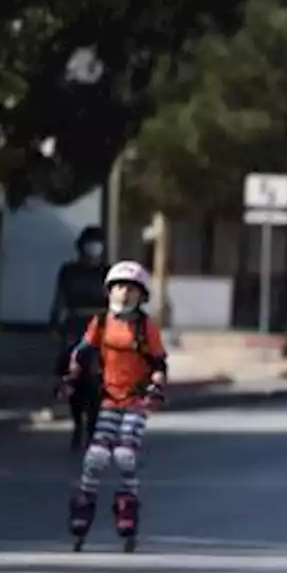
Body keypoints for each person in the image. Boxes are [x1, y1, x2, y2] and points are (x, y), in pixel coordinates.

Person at [64, 262, 168, 548]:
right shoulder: (100, 322)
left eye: (131, 289)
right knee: (95, 457)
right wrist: (70, 378)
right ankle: (83, 508)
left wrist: (157, 386)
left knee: (125, 456)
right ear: (110, 291)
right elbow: (82, 352)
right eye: (120, 287)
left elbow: (158, 362)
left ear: (141, 296)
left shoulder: (146, 327)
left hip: (135, 399)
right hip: (109, 397)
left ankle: (127, 511)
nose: (124, 294)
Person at [50, 226, 109, 449]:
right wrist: (54, 323)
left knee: (99, 379)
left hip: (101, 327)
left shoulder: (107, 272)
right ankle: (77, 424)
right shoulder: (69, 271)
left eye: (97, 244)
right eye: (90, 244)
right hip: (75, 326)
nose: (93, 249)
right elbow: (59, 299)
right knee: (72, 373)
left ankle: (93, 425)